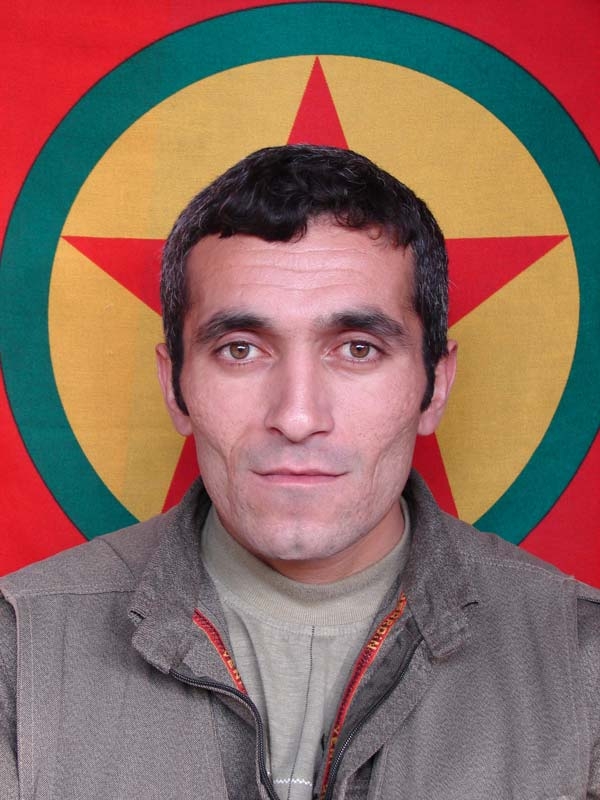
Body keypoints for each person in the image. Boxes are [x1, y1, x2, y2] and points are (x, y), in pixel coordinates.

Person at [0, 144, 598, 800]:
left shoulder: (581, 660)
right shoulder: (18, 654)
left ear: (435, 387)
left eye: (358, 348)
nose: (297, 416)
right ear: (175, 388)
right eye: (240, 350)